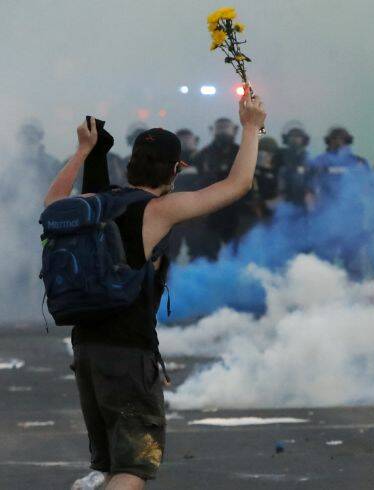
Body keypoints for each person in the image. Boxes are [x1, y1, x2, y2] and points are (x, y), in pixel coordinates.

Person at [43, 87, 266, 489]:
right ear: (174, 170)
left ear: (131, 166)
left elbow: (52, 206)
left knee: (113, 463)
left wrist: (81, 151)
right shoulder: (159, 211)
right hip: (128, 353)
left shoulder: (98, 202)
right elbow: (237, 185)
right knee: (135, 467)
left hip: (87, 350)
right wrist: (251, 127)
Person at [309, 126, 370, 280]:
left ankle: (357, 296)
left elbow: (369, 188)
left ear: (348, 142)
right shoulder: (319, 162)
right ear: (328, 142)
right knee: (324, 264)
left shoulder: (359, 163)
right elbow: (309, 189)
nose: (338, 143)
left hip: (352, 220)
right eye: (334, 140)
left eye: (342, 140)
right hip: (327, 219)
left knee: (354, 264)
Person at [191, 117, 244, 259]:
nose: (223, 132)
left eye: (226, 128)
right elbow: (194, 180)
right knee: (208, 250)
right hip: (210, 208)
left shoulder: (241, 152)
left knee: (237, 250)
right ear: (213, 131)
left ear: (234, 131)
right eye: (219, 128)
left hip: (236, 207)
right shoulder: (204, 154)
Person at [168, 129, 206, 262]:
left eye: (187, 140)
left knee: (197, 244)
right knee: (172, 244)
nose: (184, 144)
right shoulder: (170, 161)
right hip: (175, 209)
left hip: (198, 209)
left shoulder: (202, 158)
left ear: (194, 140)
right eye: (180, 141)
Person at [15, 118, 61, 188]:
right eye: (25, 133)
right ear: (19, 138)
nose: (28, 136)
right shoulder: (12, 167)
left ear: (40, 136)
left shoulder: (53, 164)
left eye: (32, 132)